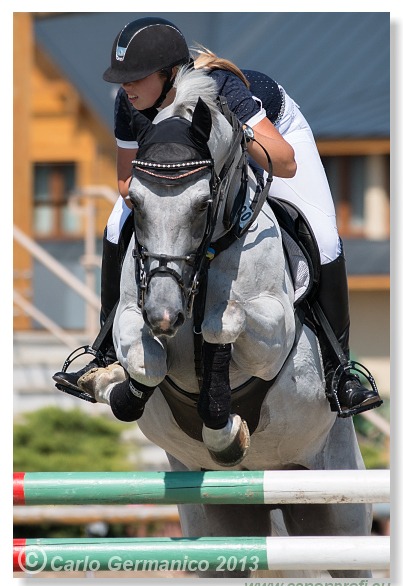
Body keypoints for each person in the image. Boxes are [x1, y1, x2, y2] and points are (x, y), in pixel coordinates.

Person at [53, 16, 382, 416]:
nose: (126, 86)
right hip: (189, 178)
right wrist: (171, 187)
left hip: (269, 147)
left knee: (324, 235)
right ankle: (103, 350)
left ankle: (339, 370)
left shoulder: (222, 89)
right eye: (122, 78)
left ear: (169, 73)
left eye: (136, 78)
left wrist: (239, 133)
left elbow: (285, 161)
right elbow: (126, 182)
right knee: (116, 220)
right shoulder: (131, 103)